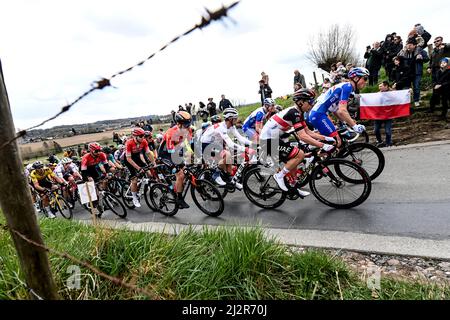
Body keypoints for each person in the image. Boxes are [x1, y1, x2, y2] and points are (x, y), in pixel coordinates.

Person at [260, 88, 335, 194]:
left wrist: (325, 138)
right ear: (300, 102)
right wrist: (322, 145)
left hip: (276, 138)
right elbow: (303, 136)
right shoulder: (294, 113)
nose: (312, 104)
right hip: (267, 140)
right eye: (310, 102)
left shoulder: (298, 113)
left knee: (296, 159)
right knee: (300, 154)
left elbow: (308, 132)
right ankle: (279, 176)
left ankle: (293, 187)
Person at [308, 67, 370, 147]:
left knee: (332, 142)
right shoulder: (347, 87)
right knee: (336, 142)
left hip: (317, 114)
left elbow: (336, 110)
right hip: (319, 115)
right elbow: (342, 110)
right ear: (356, 78)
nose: (366, 82)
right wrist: (354, 126)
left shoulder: (346, 87)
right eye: (365, 78)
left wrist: (345, 122)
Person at [201, 108, 255, 189]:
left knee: (229, 158)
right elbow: (230, 144)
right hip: (206, 144)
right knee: (227, 154)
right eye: (235, 118)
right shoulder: (221, 127)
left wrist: (254, 144)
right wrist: (246, 149)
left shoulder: (231, 126)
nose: (237, 120)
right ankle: (216, 175)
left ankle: (230, 179)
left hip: (216, 143)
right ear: (230, 119)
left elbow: (240, 138)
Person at [157, 111, 193, 209]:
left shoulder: (188, 130)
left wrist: (191, 154)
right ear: (178, 123)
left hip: (176, 151)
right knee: (180, 174)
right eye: (186, 124)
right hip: (166, 154)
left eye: (189, 123)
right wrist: (184, 159)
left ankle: (177, 188)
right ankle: (179, 198)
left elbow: (187, 144)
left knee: (186, 171)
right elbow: (172, 152)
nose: (188, 126)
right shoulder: (170, 133)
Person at [124, 128, 156, 207]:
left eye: (144, 136)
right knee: (134, 179)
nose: (143, 137)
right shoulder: (129, 143)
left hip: (137, 157)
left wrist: (154, 163)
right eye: (141, 136)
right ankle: (134, 197)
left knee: (148, 172)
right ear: (135, 136)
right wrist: (138, 168)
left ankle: (146, 187)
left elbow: (148, 153)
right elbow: (128, 158)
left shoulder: (144, 141)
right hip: (128, 159)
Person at [397, 37, 429, 108]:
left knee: (416, 87)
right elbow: (397, 58)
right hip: (407, 73)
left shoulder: (420, 50)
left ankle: (416, 100)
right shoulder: (404, 51)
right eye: (407, 44)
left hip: (417, 72)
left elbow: (427, 59)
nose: (408, 46)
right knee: (406, 87)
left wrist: (422, 58)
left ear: (414, 45)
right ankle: (406, 102)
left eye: (410, 44)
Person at [373, 81, 394, 147]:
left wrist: (408, 92)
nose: (379, 88)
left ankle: (388, 142)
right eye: (379, 86)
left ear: (386, 86)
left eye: (381, 86)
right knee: (376, 130)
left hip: (388, 116)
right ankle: (380, 141)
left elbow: (400, 97)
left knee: (388, 131)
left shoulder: (393, 93)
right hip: (378, 115)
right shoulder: (377, 94)